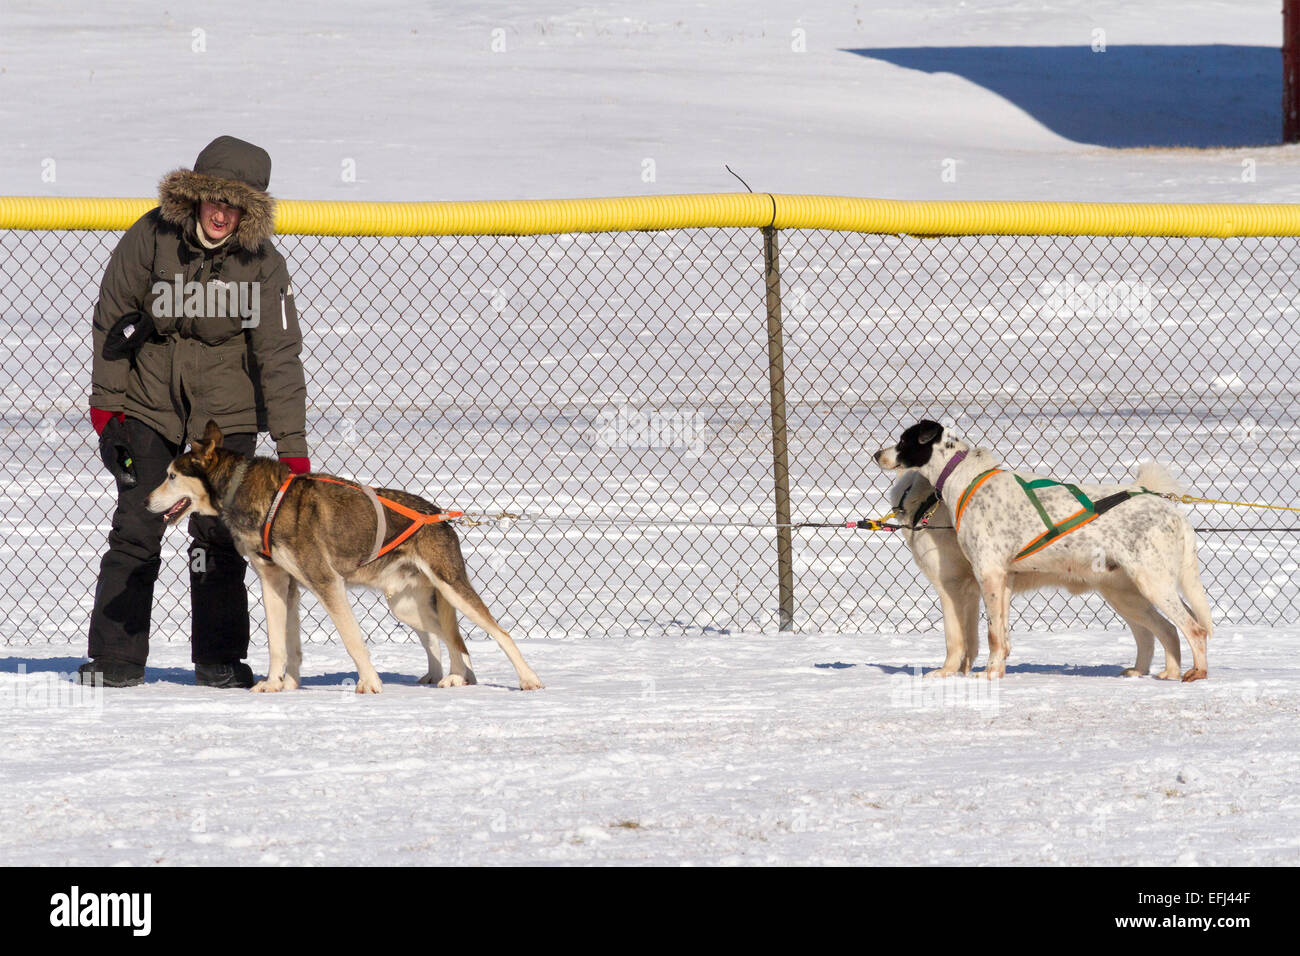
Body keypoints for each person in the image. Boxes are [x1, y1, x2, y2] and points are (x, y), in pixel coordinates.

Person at [80, 135, 310, 688]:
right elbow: (113, 321)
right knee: (138, 524)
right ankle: (116, 657)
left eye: (236, 205)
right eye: (213, 198)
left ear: (249, 211)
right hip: (150, 406)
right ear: (195, 195)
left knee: (220, 537)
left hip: (225, 417)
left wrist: (292, 447)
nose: (221, 213)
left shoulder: (263, 264)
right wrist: (107, 411)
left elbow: (278, 355)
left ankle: (220, 659)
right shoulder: (151, 235)